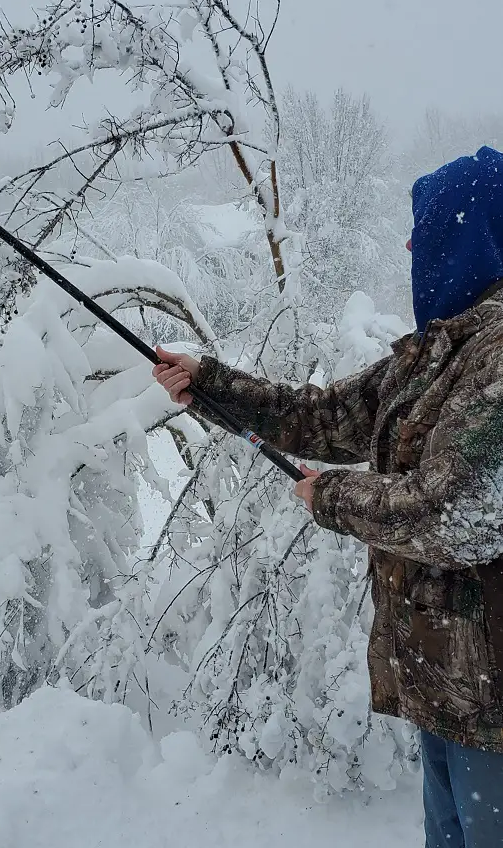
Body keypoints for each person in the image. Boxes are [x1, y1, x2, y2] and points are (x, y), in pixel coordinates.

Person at [153, 146, 503, 848]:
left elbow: (459, 515)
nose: (412, 248)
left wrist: (334, 499)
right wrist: (209, 384)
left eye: (426, 231)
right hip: (450, 687)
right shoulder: (442, 352)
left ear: (467, 233)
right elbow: (322, 415)